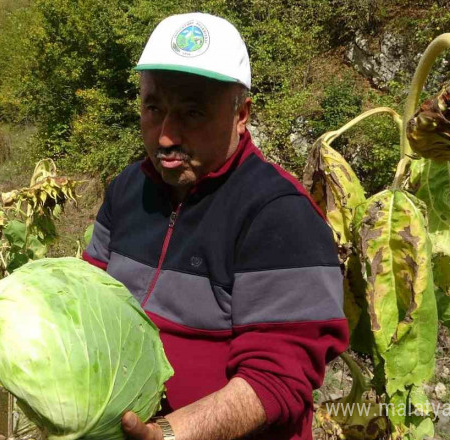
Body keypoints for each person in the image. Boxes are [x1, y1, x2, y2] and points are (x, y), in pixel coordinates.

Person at [82, 12, 349, 440]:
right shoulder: (127, 189)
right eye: (154, 108)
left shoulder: (280, 214)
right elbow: (88, 298)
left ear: (241, 114)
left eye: (192, 112)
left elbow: (278, 377)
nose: (166, 136)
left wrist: (169, 433)